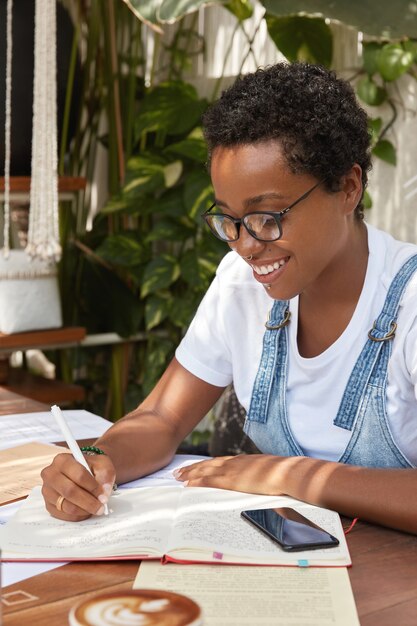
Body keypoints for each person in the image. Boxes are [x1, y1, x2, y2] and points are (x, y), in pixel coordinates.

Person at [41, 62, 417, 534]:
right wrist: (97, 461)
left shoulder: (409, 304)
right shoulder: (243, 286)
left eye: (266, 217)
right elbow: (162, 416)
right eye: (228, 220)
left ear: (347, 187)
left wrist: (292, 476)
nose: (245, 244)